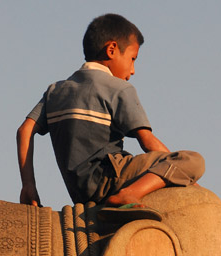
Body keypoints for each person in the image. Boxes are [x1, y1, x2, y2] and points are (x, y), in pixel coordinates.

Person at [17, 14, 205, 221]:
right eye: (132, 59)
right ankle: (129, 194)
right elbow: (148, 142)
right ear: (112, 49)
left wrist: (29, 185)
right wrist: (181, 171)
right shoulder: (119, 89)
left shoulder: (55, 91)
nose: (132, 71)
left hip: (79, 192)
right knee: (192, 160)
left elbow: (24, 131)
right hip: (110, 179)